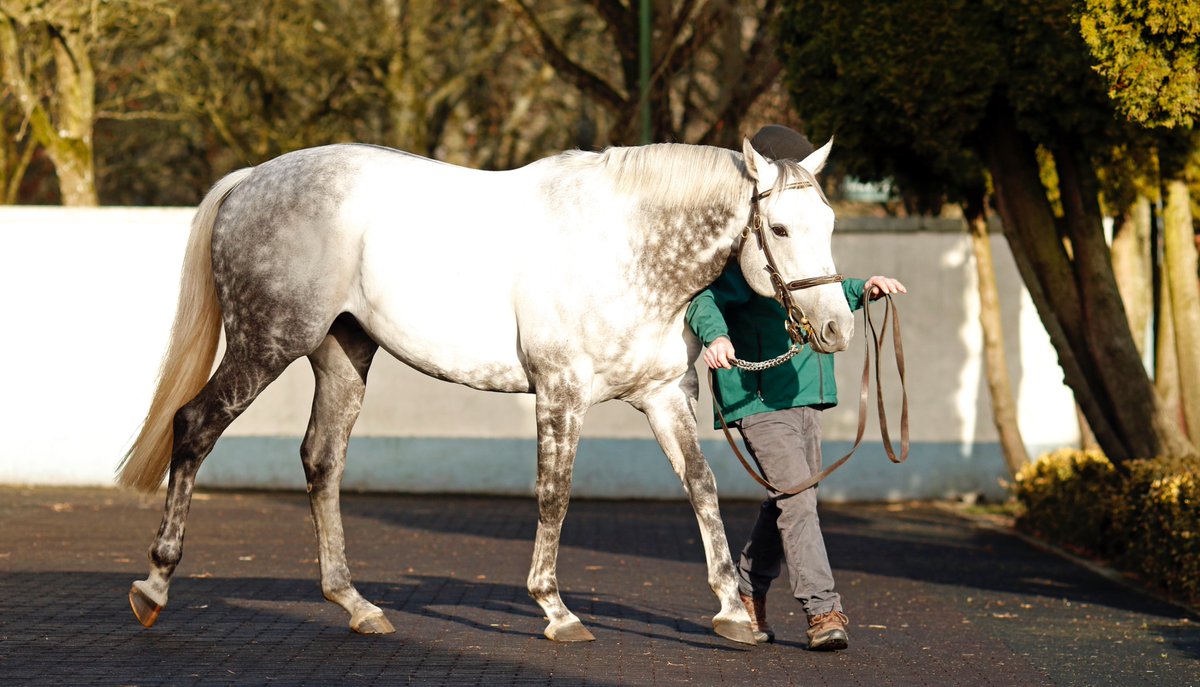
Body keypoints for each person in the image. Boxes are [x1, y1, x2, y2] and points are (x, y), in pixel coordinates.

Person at [685, 125, 907, 651]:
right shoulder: (743, 242)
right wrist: (714, 337)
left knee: (787, 499)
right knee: (798, 499)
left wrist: (861, 289)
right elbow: (701, 297)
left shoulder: (796, 226)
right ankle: (823, 611)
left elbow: (815, 288)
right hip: (758, 391)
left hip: (806, 383)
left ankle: (745, 592)